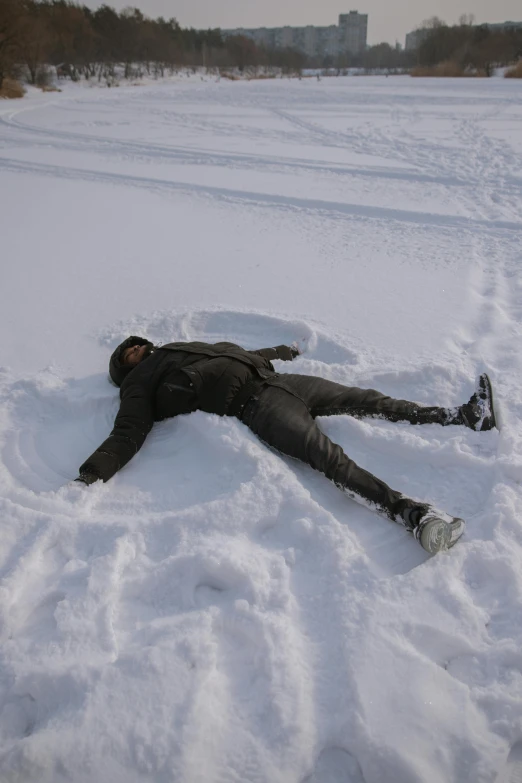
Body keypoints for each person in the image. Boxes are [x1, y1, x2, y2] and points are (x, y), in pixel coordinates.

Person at [75, 336, 496, 555]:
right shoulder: (138, 383)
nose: (133, 348)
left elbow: (238, 353)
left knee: (365, 398)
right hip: (255, 406)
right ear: (121, 369)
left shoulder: (180, 349)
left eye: (134, 344)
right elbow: (127, 431)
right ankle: (414, 517)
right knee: (328, 457)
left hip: (278, 382)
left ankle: (461, 417)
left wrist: (283, 351)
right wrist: (93, 471)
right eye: (125, 352)